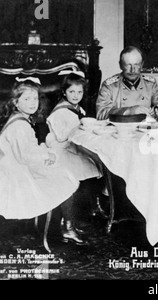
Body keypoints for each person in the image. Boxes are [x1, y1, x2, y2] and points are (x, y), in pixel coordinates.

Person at [0, 77, 86, 245]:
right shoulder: (20, 126)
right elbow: (24, 156)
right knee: (65, 176)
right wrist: (46, 155)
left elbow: (26, 150)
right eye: (26, 99)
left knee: (60, 170)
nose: (32, 103)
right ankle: (68, 228)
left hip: (14, 166)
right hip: (16, 176)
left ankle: (67, 224)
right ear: (16, 102)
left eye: (34, 98)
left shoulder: (19, 119)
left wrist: (44, 152)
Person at [46, 70, 104, 222]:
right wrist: (78, 125)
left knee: (97, 162)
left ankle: (93, 206)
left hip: (72, 148)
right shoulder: (61, 111)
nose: (75, 95)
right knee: (91, 164)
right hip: (61, 151)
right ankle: (73, 217)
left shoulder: (77, 108)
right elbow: (61, 136)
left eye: (79, 92)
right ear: (64, 92)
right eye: (71, 91)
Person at [96, 46, 158, 120]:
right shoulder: (110, 86)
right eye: (128, 65)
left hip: (145, 130)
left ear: (142, 65)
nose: (133, 70)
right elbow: (100, 114)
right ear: (120, 65)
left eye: (136, 65)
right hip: (119, 131)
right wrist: (129, 111)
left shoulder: (150, 84)